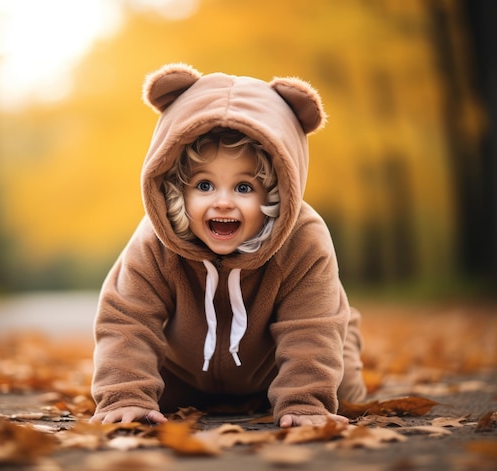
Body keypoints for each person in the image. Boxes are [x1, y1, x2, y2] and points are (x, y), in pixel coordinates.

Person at [90, 63, 366, 428]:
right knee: (138, 393)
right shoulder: (155, 242)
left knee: (343, 392)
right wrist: (124, 395)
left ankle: (332, 361)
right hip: (184, 374)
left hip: (273, 368)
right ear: (176, 189)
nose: (222, 202)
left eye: (244, 187)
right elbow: (128, 320)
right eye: (204, 185)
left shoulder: (304, 238)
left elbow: (311, 325)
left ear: (278, 191)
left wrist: (305, 403)